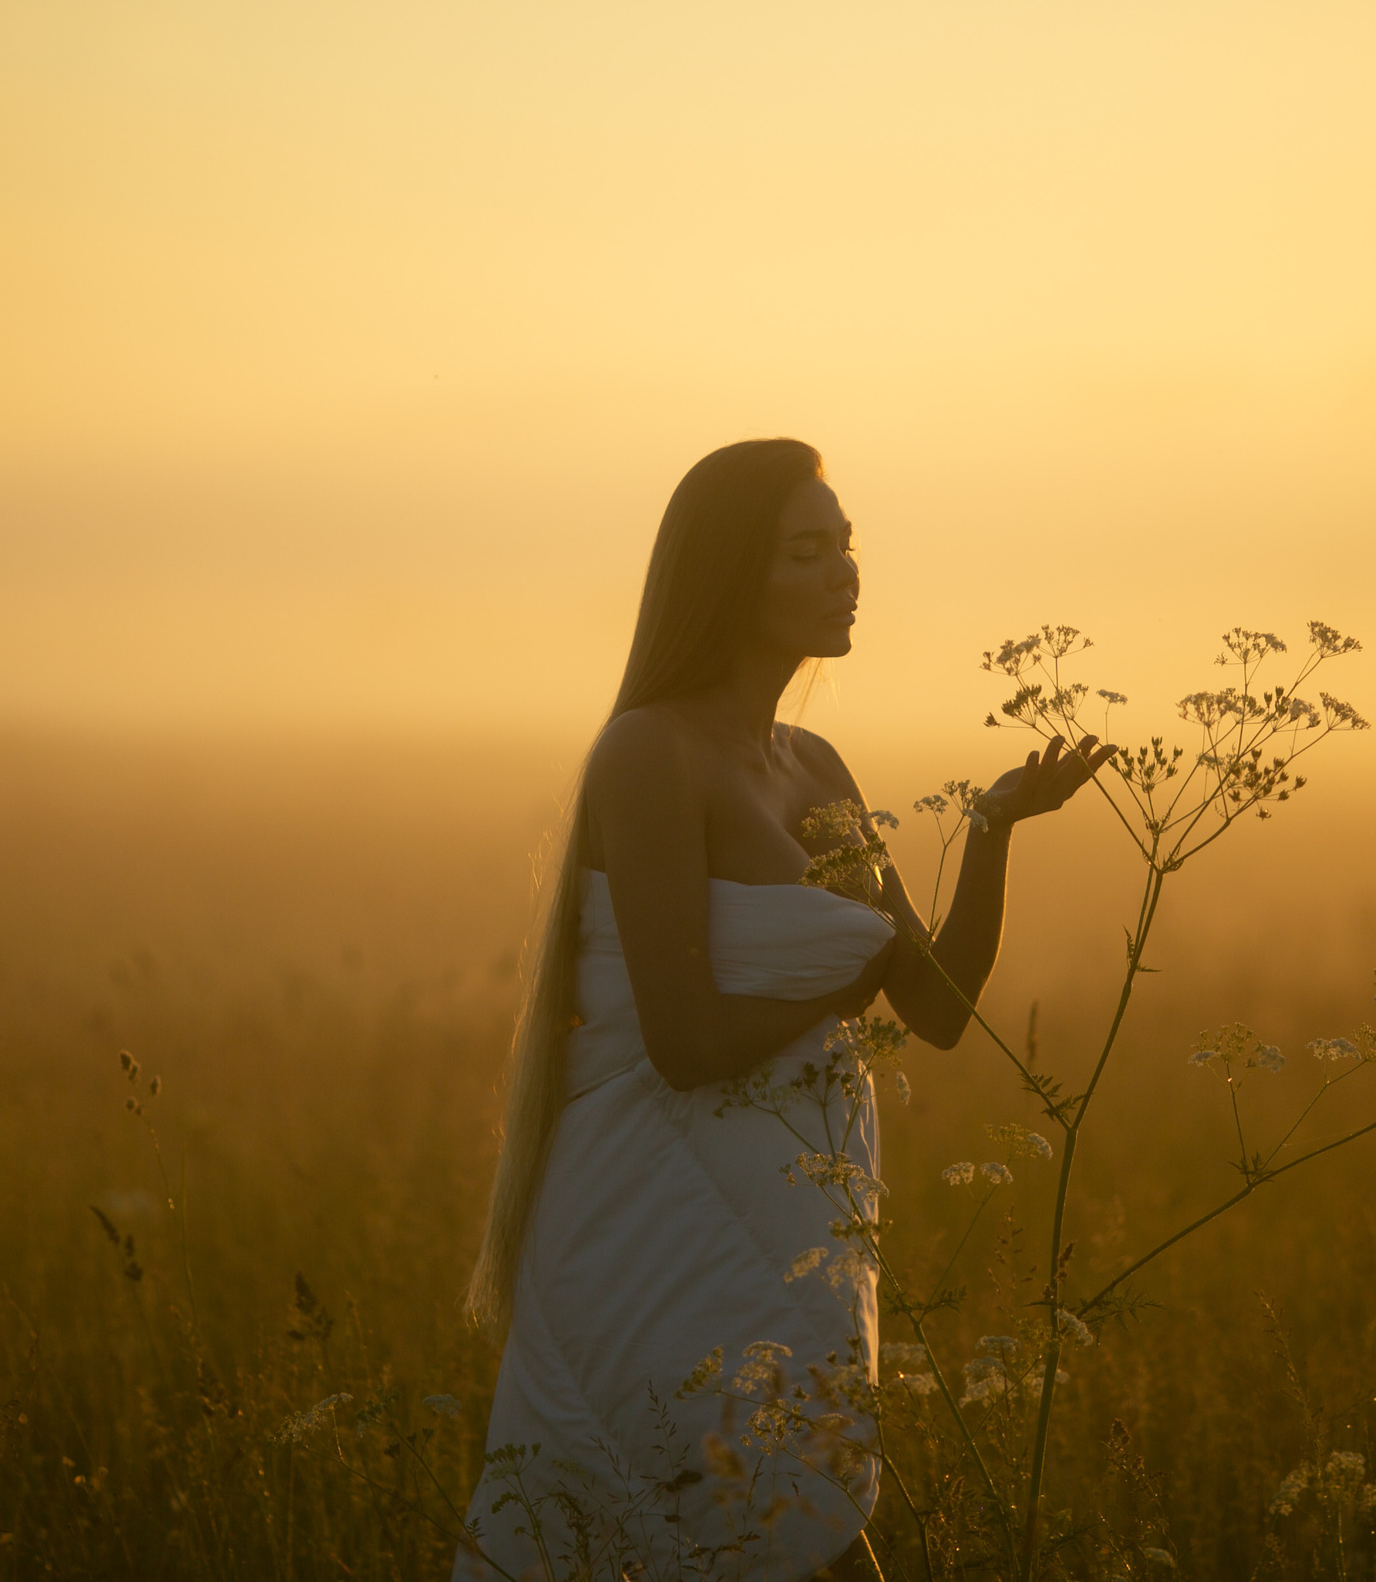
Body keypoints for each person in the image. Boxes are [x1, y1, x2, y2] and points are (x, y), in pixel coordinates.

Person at [455, 438, 1108, 1580]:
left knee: (786, 1533)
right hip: (654, 1230)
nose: (843, 572)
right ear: (727, 582)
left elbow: (937, 1007)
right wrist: (842, 982)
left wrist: (992, 834)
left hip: (794, 1233)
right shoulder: (648, 754)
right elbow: (687, 1041)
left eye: (844, 545)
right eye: (806, 552)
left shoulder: (817, 766)